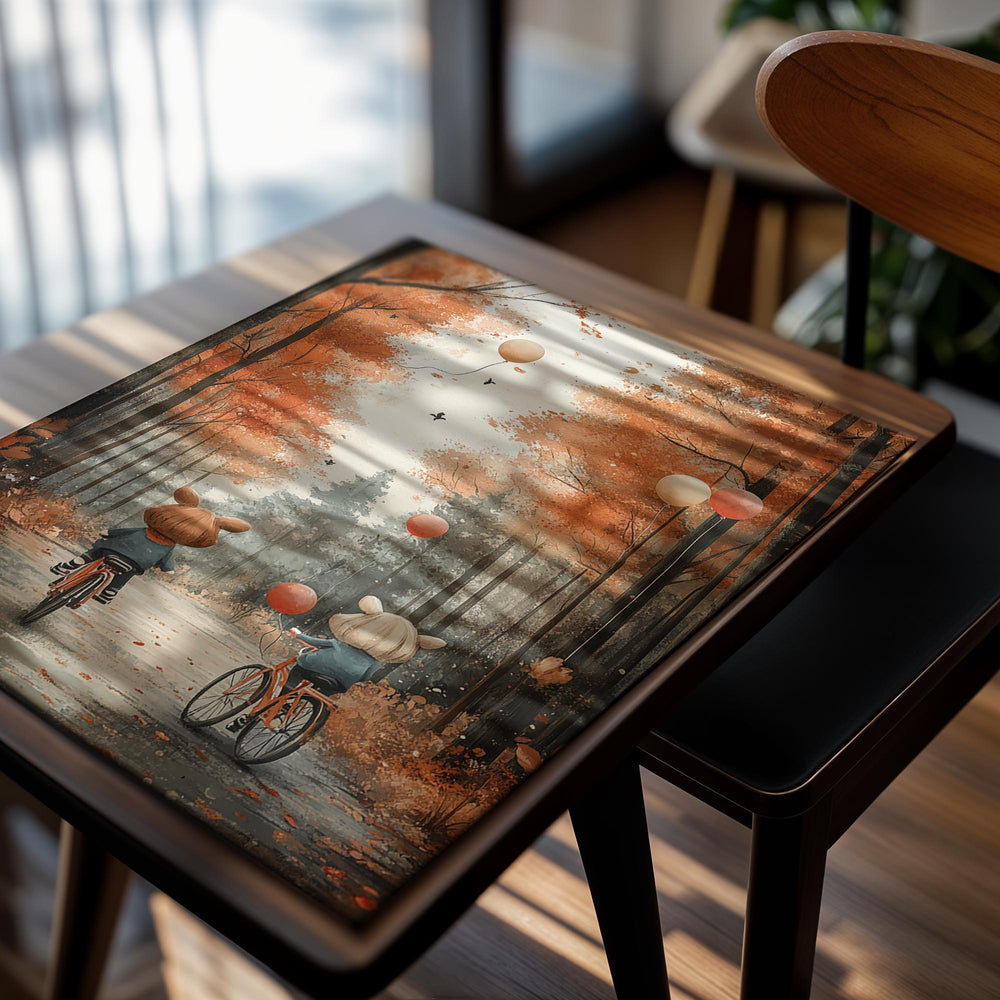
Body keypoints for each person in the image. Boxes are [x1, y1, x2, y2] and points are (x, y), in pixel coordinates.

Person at [50, 486, 250, 603]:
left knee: (100, 549)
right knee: (128, 572)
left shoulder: (143, 530)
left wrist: (108, 532)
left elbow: (121, 532)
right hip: (136, 563)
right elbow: (166, 561)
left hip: (114, 551)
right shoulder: (169, 546)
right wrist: (167, 570)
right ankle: (110, 592)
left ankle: (73, 564)